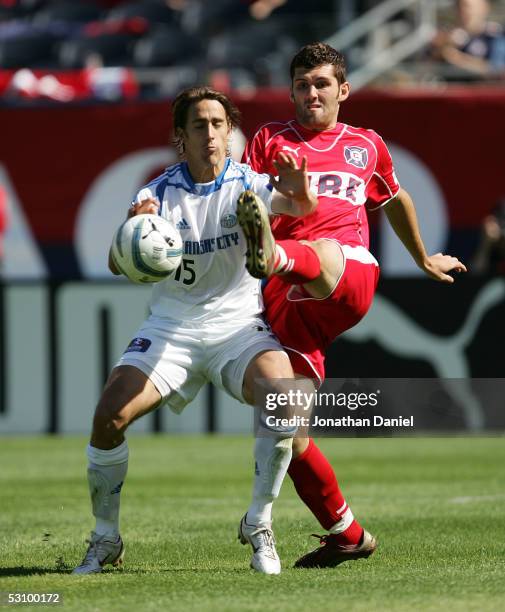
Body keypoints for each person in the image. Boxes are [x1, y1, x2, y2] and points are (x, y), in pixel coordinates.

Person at [72, 86, 319, 576]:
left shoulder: (248, 184)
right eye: (198, 125)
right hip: (171, 329)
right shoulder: (155, 194)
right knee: (107, 418)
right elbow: (115, 264)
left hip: (238, 327)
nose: (209, 133)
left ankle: (259, 523)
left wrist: (300, 185)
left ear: (230, 133)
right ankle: (105, 537)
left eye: (217, 124)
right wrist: (131, 236)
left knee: (285, 400)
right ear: (180, 138)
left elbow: (301, 207)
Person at [240, 42, 467, 568]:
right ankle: (347, 532)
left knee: (324, 251)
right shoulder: (268, 140)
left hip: (345, 271)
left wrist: (425, 258)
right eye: (301, 84)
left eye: (321, 83)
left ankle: (274, 253)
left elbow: (395, 199)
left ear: (343, 89)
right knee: (284, 426)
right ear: (292, 90)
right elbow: (240, 196)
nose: (311, 92)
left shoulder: (365, 144)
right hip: (284, 304)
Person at [431, 0, 505, 79]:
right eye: (460, 7)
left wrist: (457, 59)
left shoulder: (494, 36)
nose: (465, 11)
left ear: (484, 8)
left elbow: (497, 70)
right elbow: (427, 68)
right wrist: (440, 50)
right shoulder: (449, 36)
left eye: (468, 7)